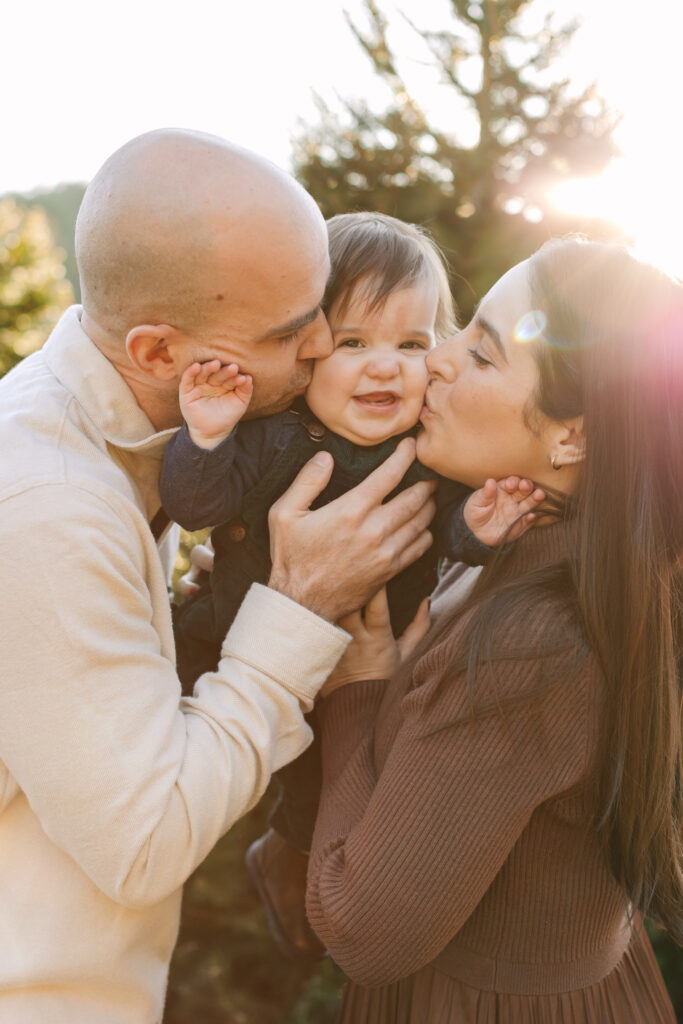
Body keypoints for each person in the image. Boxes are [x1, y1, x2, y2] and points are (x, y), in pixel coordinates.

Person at [0, 129, 438, 1024]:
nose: (324, 344)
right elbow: (143, 844)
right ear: (159, 354)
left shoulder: (128, 440)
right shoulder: (49, 503)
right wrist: (295, 609)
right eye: (290, 331)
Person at [306, 238, 682, 1022]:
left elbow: (363, 931)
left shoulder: (536, 636)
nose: (434, 360)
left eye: (481, 353)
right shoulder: (527, 543)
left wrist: (355, 687)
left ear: (572, 435)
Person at [159, 210, 544, 959]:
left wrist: (484, 527)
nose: (386, 367)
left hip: (354, 679)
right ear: (305, 351)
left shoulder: (430, 450)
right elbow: (196, 504)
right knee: (166, 722)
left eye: (411, 343)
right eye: (353, 344)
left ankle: (288, 858)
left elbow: (447, 535)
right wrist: (205, 436)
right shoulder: (276, 436)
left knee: (320, 789)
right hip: (230, 644)